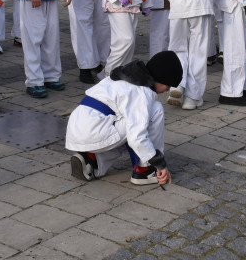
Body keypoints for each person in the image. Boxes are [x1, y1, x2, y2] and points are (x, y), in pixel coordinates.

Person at [67, 51, 183, 185]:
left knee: (125, 126)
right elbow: (137, 138)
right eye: (168, 85)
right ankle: (145, 170)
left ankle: (92, 160)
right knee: (155, 110)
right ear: (161, 79)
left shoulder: (125, 76)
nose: (166, 90)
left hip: (77, 126)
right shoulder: (142, 92)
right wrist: (159, 164)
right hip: (94, 131)